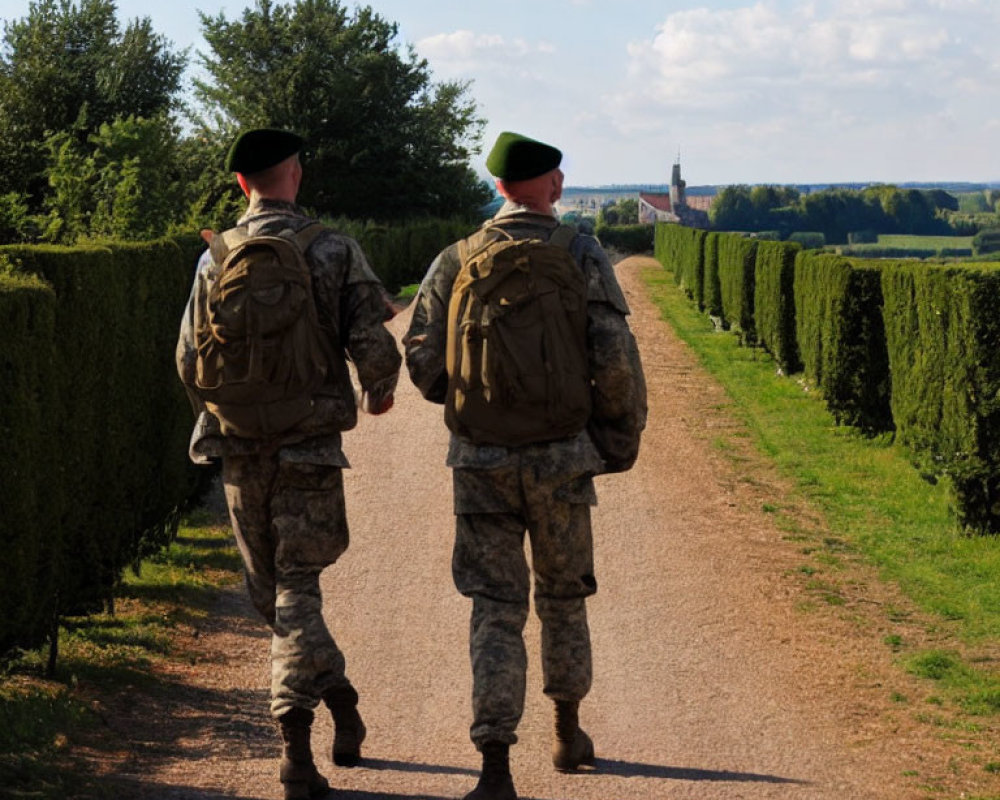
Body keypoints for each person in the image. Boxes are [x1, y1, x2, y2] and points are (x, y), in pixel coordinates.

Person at [403, 130, 647, 800]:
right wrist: (616, 442)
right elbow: (616, 363)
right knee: (563, 597)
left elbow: (422, 359)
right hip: (562, 459)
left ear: (498, 186)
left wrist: (472, 403)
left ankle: (494, 763)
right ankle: (567, 732)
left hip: (480, 463)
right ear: (554, 185)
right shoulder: (581, 254)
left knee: (495, 607)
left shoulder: (457, 258)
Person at [175, 128, 401, 800]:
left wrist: (221, 412)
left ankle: (296, 752)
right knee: (294, 593)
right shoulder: (332, 247)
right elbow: (373, 340)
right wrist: (378, 388)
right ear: (295, 175)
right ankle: (335, 697)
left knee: (276, 594)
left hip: (240, 449)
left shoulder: (216, 257)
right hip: (308, 445)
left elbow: (188, 359)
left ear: (242, 184)